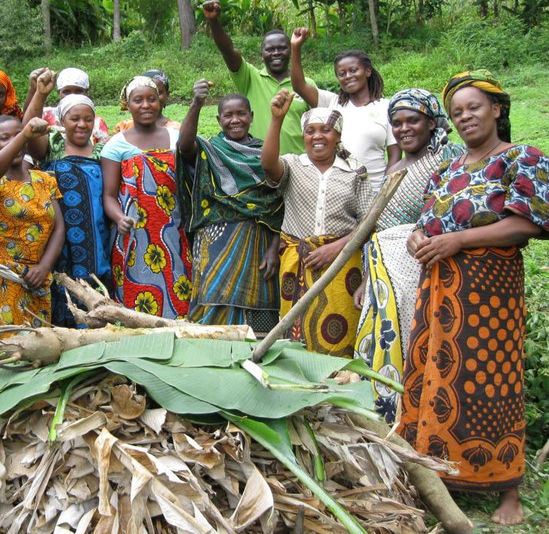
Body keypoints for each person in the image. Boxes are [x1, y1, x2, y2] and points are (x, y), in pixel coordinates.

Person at [401, 71, 549, 526]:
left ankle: (506, 487)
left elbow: (529, 223)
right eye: (457, 112)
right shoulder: (447, 170)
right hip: (439, 290)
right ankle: (436, 475)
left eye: (473, 107)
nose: (465, 116)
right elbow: (424, 220)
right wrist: (417, 239)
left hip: (490, 292)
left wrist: (459, 241)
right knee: (436, 376)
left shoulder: (523, 159)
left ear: (497, 109)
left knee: (492, 379)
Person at [351, 88, 466, 423]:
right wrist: (364, 280)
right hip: (380, 270)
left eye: (413, 120)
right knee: (379, 343)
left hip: (417, 267)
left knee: (413, 343)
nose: (404, 129)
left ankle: (412, 419)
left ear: (431, 123)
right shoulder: (394, 167)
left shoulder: (448, 159)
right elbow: (374, 228)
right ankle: (376, 417)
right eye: (397, 123)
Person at [260, 91, 372, 357]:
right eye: (310, 131)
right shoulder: (292, 165)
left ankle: (336, 387)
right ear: (303, 136)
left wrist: (337, 249)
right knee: (293, 330)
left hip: (341, 263)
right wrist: (277, 120)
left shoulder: (355, 171)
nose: (317, 136)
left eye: (326, 130)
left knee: (338, 326)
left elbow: (368, 221)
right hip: (298, 262)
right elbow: (268, 164)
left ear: (338, 136)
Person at [177, 79, 283, 334]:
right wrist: (196, 103)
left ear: (251, 116)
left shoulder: (265, 154)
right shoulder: (210, 149)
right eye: (228, 115)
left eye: (241, 114)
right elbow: (184, 146)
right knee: (212, 301)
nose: (235, 120)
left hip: (257, 242)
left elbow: (278, 204)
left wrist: (274, 247)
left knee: (258, 304)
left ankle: (258, 355)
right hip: (215, 242)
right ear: (219, 119)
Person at [102, 76, 192, 319]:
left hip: (173, 230)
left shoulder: (175, 138)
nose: (145, 105)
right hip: (133, 233)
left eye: (151, 99)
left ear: (160, 102)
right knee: (135, 295)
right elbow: (108, 196)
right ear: (127, 105)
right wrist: (120, 218)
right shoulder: (115, 145)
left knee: (178, 288)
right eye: (138, 100)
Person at [25, 87, 113, 327]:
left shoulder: (103, 151)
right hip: (58, 235)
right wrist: (39, 93)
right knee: (61, 283)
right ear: (62, 120)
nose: (82, 124)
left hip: (95, 236)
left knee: (95, 285)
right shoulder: (52, 146)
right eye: (74, 119)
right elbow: (30, 133)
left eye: (88, 119)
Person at [0, 115, 65, 328]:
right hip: (2, 278)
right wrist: (23, 134)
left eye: (18, 137)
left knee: (41, 350)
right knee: (5, 349)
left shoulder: (44, 179)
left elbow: (59, 228)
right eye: (5, 138)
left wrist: (44, 267)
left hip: (38, 279)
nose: (13, 144)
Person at [288, 28, 399, 192]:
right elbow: (299, 86)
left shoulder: (387, 107)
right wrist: (295, 48)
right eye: (342, 73)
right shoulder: (332, 103)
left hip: (374, 189)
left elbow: (395, 156)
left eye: (354, 70)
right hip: (339, 190)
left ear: (367, 71)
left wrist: (385, 191)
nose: (348, 76)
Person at [201, 0, 313, 154]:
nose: (276, 53)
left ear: (291, 51)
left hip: (298, 166)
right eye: (270, 49)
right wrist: (214, 22)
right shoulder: (251, 78)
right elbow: (228, 51)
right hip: (259, 164)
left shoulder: (306, 85)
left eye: (282, 48)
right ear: (262, 55)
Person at [24, 67, 111, 144]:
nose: (72, 95)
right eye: (67, 91)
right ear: (59, 93)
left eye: (78, 91)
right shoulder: (45, 114)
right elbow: (27, 126)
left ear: (86, 93)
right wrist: (36, 91)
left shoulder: (97, 123)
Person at [110, 70, 182, 134]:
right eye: (139, 99)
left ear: (167, 95)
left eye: (158, 93)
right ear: (129, 104)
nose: (146, 105)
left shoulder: (177, 130)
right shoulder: (123, 128)